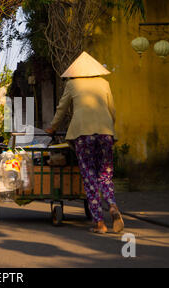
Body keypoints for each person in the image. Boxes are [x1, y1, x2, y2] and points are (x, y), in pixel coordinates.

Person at [46, 51, 124, 234]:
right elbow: (112, 110)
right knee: (105, 174)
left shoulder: (72, 84)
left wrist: (53, 127)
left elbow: (62, 109)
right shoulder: (104, 83)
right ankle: (112, 206)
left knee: (89, 176)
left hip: (82, 134)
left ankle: (99, 223)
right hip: (105, 133)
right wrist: (107, 126)